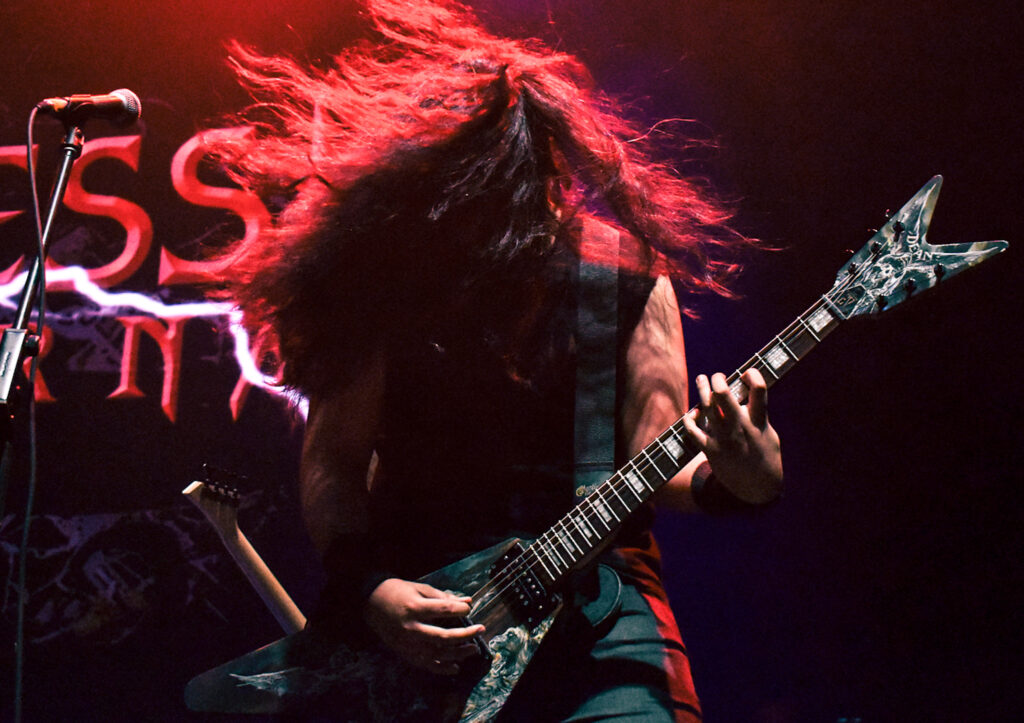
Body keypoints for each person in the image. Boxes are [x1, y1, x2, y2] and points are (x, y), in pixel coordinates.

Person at [209, 1, 783, 719]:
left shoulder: (624, 273)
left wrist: (745, 476)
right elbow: (335, 462)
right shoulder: (380, 281)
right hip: (432, 617)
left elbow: (661, 461)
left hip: (601, 614)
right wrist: (372, 589)